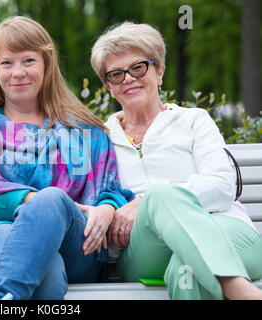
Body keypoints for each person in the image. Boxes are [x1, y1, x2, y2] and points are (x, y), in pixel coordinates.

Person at [0, 16, 134, 300]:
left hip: (78, 242)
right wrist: (42, 204)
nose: (18, 72)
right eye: (6, 63)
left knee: (51, 201)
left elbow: (110, 190)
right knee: (45, 267)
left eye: (28, 61)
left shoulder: (84, 128)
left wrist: (107, 209)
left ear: (46, 63)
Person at [90, 22, 262, 300]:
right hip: (145, 250)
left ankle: (229, 282)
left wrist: (148, 201)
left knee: (186, 268)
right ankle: (238, 289)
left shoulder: (194, 120)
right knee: (159, 198)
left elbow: (221, 187)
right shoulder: (99, 139)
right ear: (109, 86)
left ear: (159, 72)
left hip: (228, 231)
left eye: (138, 67)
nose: (129, 79)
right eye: (116, 74)